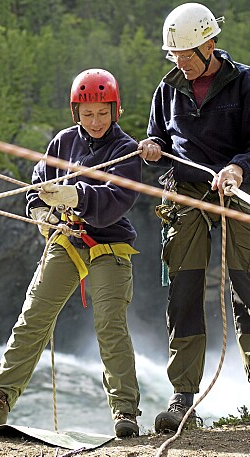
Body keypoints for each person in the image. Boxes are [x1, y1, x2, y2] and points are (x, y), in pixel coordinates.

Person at [0, 68, 143, 437]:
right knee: (33, 318)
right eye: (88, 113)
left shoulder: (126, 150)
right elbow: (39, 181)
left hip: (109, 242)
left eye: (103, 113)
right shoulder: (63, 142)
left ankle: (125, 412)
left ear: (116, 110)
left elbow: (116, 202)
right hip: (67, 238)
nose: (96, 121)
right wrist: (40, 210)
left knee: (110, 323)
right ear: (76, 112)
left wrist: (78, 196)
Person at [138, 2, 250, 433]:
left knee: (247, 286)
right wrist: (150, 146)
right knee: (184, 290)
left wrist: (238, 166)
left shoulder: (244, 84)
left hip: (237, 192)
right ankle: (183, 398)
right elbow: (158, 138)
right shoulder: (167, 89)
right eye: (175, 56)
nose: (180, 63)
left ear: (210, 44)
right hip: (186, 193)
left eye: (186, 55)